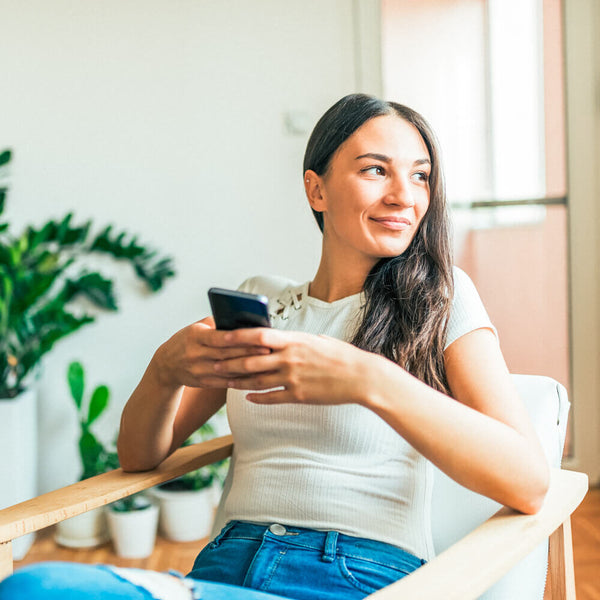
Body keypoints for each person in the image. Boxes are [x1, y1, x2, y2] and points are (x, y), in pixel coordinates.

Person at [0, 94, 550, 600]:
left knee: (38, 588)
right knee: (39, 588)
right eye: (376, 170)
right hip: (225, 569)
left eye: (421, 176)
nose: (404, 196)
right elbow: (140, 457)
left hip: (355, 575)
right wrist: (165, 369)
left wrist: (370, 379)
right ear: (316, 188)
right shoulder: (264, 304)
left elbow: (527, 480)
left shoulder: (440, 304)